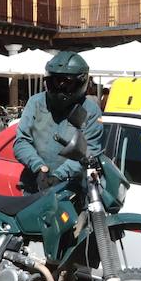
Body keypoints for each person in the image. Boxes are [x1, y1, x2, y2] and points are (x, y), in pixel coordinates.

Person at [13, 50, 104, 195]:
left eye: (67, 84)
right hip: (34, 185)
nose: (60, 88)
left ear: (81, 82)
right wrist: (38, 168)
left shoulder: (90, 111)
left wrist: (59, 175)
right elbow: (21, 141)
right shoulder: (36, 102)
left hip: (71, 190)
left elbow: (89, 152)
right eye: (55, 82)